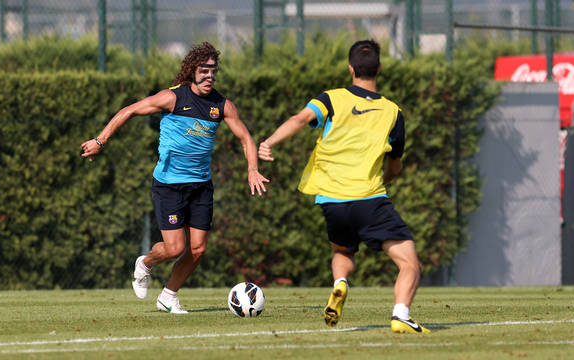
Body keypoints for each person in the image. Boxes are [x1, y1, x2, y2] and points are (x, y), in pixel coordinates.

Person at [81, 42, 269, 314]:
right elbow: (130, 110)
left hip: (201, 186)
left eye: (213, 71)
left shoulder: (222, 105)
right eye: (204, 71)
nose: (210, 77)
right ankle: (145, 264)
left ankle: (168, 296)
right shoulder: (173, 98)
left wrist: (252, 168)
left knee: (198, 249)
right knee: (173, 248)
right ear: (192, 71)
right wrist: (100, 140)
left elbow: (246, 138)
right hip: (169, 185)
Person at [258, 40, 430, 333]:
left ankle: (340, 284)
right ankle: (401, 315)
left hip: (331, 201)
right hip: (369, 198)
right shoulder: (393, 112)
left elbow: (300, 119)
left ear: (350, 69)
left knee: (343, 251)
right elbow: (395, 166)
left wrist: (269, 142)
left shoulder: (331, 99)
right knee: (409, 262)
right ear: (379, 68)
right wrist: (384, 180)